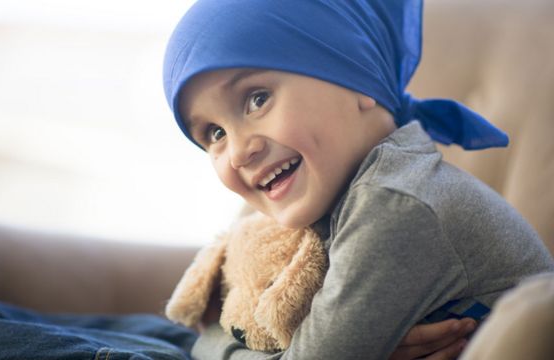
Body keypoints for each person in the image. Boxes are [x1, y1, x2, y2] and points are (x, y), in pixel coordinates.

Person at [162, 0, 554, 359]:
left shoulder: (394, 203)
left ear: (356, 78)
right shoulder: (338, 193)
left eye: (258, 98)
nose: (238, 151)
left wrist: (209, 342)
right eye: (215, 133)